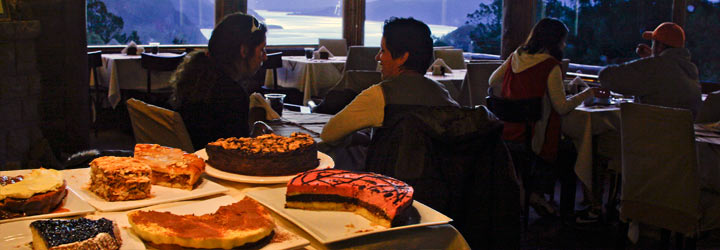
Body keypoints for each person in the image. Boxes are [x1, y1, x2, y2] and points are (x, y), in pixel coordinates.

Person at [488, 18, 596, 218]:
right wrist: (587, 93)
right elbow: (561, 107)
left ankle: (530, 193)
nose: (564, 45)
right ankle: (557, 204)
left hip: (506, 131)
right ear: (555, 41)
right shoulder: (550, 65)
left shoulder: (515, 56)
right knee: (572, 148)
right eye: (563, 40)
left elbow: (492, 80)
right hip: (532, 136)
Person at [320, 17, 459, 144]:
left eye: (383, 51)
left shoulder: (380, 95)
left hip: (382, 170)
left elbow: (329, 134)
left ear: (402, 57)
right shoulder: (443, 95)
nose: (377, 57)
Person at [170, 13, 268, 150]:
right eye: (262, 50)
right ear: (244, 50)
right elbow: (238, 154)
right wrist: (257, 132)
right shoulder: (232, 95)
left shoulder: (195, 78)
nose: (265, 57)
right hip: (214, 166)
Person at [598, 22, 702, 118]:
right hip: (680, 135)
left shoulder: (656, 66)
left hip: (652, 134)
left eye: (653, 43)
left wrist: (650, 61)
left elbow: (607, 77)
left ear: (659, 46)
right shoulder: (690, 70)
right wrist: (651, 59)